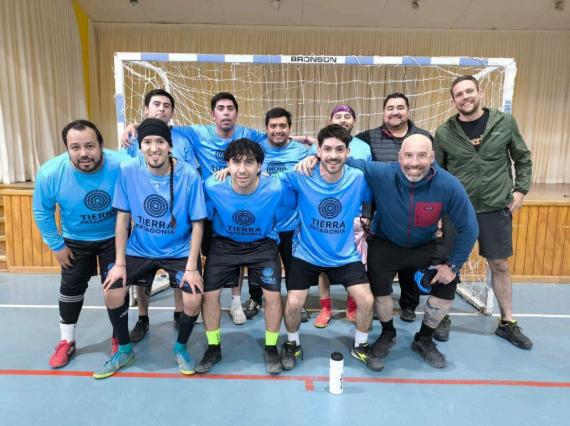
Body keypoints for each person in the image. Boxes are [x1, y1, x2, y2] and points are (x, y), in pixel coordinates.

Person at [298, 133, 478, 369]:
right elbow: (342, 159)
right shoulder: (382, 173)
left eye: (422, 156)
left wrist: (453, 265)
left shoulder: (448, 185)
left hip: (425, 244)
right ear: (399, 157)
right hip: (386, 242)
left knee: (447, 285)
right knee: (378, 290)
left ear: (432, 157)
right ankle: (387, 333)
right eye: (408, 155)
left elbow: (469, 228)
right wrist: (314, 157)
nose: (414, 162)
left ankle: (424, 339)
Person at [94, 118, 206, 379]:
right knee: (112, 290)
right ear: (140, 146)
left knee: (193, 298)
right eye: (147, 142)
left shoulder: (188, 175)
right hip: (139, 248)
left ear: (170, 146)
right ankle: (124, 350)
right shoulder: (128, 171)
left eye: (160, 141)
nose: (154, 148)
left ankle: (181, 347)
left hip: (178, 251)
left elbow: (198, 223)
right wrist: (119, 264)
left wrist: (192, 267)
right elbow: (122, 219)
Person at [433, 75, 533, 349]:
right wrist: (437, 213)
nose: (465, 97)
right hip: (456, 211)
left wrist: (520, 191)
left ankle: (507, 322)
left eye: (469, 91)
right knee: (449, 265)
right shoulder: (444, 132)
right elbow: (437, 173)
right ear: (453, 101)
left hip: (494, 208)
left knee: (500, 265)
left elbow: (523, 158)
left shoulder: (504, 123)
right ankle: (441, 317)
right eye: (459, 94)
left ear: (480, 93)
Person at [281, 124, 383, 372]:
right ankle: (292, 344)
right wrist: (227, 172)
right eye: (327, 149)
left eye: (339, 149)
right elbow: (263, 180)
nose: (333, 155)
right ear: (318, 150)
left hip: (343, 255)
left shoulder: (357, 178)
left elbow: (371, 198)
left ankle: (360, 345)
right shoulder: (301, 174)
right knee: (293, 303)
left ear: (348, 152)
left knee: (367, 300)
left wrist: (367, 218)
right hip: (306, 253)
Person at [33, 119, 126, 368]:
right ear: (67, 148)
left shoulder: (122, 165)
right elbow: (42, 211)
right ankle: (67, 341)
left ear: (101, 145)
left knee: (116, 288)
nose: (83, 153)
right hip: (75, 240)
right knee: (71, 288)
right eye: (75, 147)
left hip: (114, 238)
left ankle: (119, 336)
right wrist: (57, 245)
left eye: (90, 146)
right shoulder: (50, 173)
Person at [198, 138, 287, 375]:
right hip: (225, 244)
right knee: (210, 295)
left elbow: (300, 177)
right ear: (227, 165)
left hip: (262, 245)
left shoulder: (275, 187)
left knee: (273, 296)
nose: (242, 169)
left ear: (259, 166)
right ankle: (213, 347)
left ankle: (271, 347)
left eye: (249, 162)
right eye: (236, 162)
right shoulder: (213, 185)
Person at [124, 88, 199, 344]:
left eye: (167, 105)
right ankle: (142, 317)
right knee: (141, 278)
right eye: (156, 104)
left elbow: (191, 171)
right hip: (146, 222)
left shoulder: (184, 139)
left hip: (177, 221)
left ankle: (179, 314)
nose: (162, 109)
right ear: (146, 109)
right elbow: (127, 175)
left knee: (180, 278)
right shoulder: (133, 139)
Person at [354, 92, 433, 324]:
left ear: (407, 110)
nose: (395, 112)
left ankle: (409, 305)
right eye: (390, 108)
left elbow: (434, 171)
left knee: (412, 263)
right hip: (382, 214)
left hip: (415, 212)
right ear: (383, 112)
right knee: (380, 266)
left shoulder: (424, 137)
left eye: (400, 107)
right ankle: (379, 303)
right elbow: (345, 147)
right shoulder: (368, 138)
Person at [240, 107, 311, 322]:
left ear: (290, 128)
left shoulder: (302, 151)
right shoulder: (255, 150)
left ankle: (296, 302)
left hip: (291, 222)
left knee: (293, 266)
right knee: (257, 266)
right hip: (262, 223)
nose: (277, 130)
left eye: (282, 126)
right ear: (266, 128)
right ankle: (255, 299)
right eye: (273, 126)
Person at [312, 105, 372, 328]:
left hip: (353, 217)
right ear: (330, 120)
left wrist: (367, 212)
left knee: (355, 262)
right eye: (338, 115)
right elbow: (311, 169)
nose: (343, 119)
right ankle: (325, 308)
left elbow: (368, 180)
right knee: (323, 264)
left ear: (354, 121)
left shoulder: (364, 147)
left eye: (348, 116)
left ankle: (352, 306)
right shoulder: (320, 145)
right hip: (325, 215)